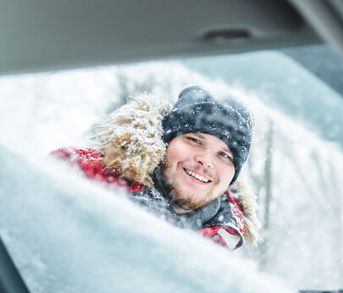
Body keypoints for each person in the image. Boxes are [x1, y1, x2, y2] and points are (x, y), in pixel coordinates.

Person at [53, 85, 259, 250]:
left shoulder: (221, 245)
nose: (206, 161)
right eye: (195, 140)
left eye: (224, 155)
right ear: (164, 141)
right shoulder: (76, 173)